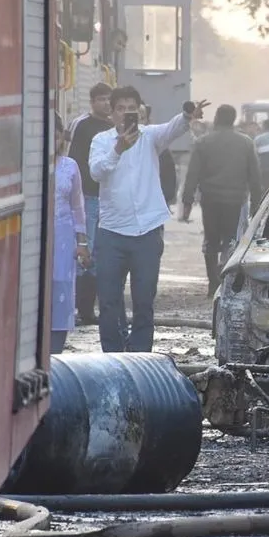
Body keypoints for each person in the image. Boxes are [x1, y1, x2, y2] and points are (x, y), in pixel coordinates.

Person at [89, 86, 209, 352]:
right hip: (112, 231)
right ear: (112, 113)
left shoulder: (150, 136)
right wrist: (118, 149)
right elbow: (97, 172)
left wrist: (188, 115)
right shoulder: (101, 141)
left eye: (131, 108)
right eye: (121, 109)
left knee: (144, 300)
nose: (126, 113)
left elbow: (172, 128)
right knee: (108, 301)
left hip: (147, 232)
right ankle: (113, 354)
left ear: (139, 111)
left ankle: (141, 355)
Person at [181, 104, 263, 297]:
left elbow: (192, 175)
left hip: (210, 199)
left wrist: (187, 202)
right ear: (233, 119)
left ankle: (212, 283)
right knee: (231, 240)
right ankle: (226, 280)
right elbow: (255, 177)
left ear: (217, 117)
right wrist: (256, 205)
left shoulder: (203, 142)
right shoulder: (245, 143)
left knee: (210, 240)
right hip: (236, 201)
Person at [66, 82, 114, 324]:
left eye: (108, 99)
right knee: (84, 250)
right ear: (92, 102)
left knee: (99, 254)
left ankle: (87, 310)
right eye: (101, 99)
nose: (105, 103)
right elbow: (72, 160)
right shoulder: (82, 125)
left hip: (107, 199)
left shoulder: (114, 127)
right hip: (86, 197)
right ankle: (75, 308)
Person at [51, 114, 90, 353]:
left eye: (56, 136)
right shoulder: (27, 166)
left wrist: (82, 243)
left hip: (63, 239)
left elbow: (78, 207)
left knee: (61, 288)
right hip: (33, 237)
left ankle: (55, 351)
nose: (51, 141)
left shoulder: (70, 166)